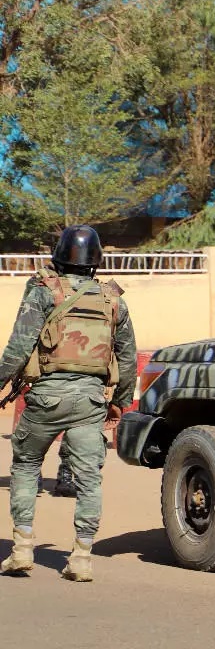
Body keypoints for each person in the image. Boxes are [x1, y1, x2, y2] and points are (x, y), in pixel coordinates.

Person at [0, 225, 137, 582]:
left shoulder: (43, 291)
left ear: (59, 256)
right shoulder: (113, 300)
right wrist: (119, 403)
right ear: (96, 260)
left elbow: (18, 347)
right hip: (90, 402)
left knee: (26, 465)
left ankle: (22, 550)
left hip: (46, 398)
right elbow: (127, 360)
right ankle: (81, 558)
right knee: (89, 480)